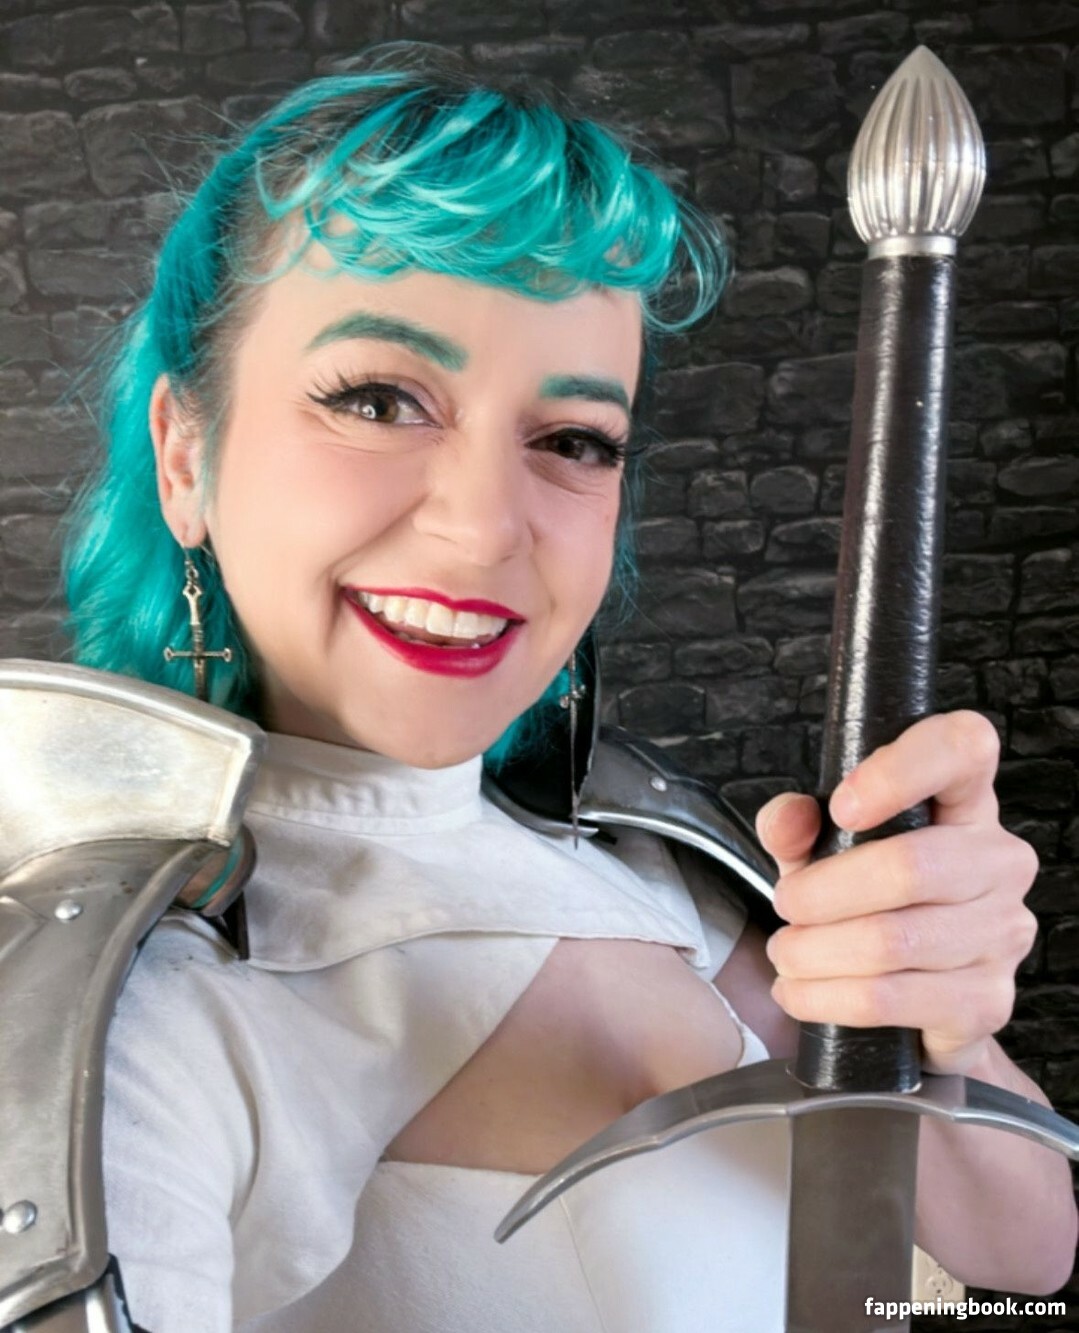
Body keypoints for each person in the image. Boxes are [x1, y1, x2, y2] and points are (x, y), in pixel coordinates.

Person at [60, 42, 1076, 1333]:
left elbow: (1025, 1249)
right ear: (185, 455)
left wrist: (945, 1014)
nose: (488, 526)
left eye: (573, 440)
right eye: (379, 399)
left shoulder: (661, 868)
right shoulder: (139, 1003)